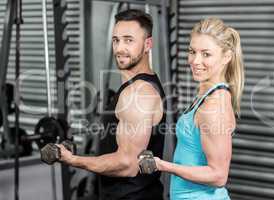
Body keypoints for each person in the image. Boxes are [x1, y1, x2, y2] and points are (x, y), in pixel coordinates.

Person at [58, 9, 166, 200]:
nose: (119, 48)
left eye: (128, 40)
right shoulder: (134, 87)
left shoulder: (138, 93)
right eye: (116, 40)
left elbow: (128, 164)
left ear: (148, 44)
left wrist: (73, 160)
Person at [149, 18, 244, 200]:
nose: (195, 61)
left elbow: (218, 176)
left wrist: (163, 166)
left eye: (206, 54)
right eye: (192, 52)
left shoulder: (214, 106)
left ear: (226, 57)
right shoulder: (206, 94)